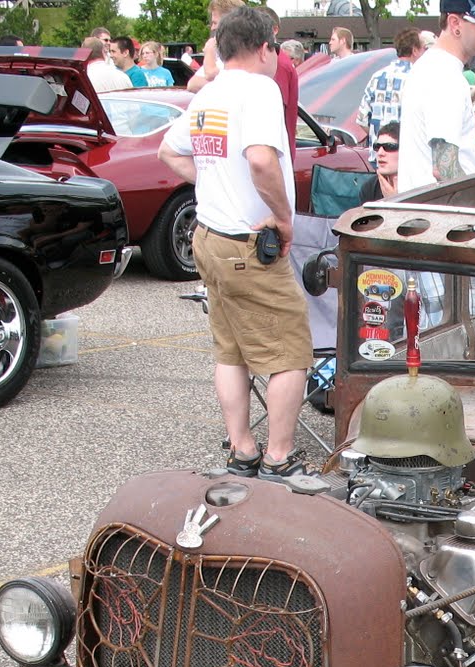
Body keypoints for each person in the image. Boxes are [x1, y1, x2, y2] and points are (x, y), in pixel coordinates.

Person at [159, 6, 314, 478]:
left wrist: (209, 184)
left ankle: (243, 449)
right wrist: (284, 218)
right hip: (249, 243)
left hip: (209, 236)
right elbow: (262, 161)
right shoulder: (259, 89)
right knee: (291, 351)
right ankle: (279, 456)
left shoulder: (209, 93)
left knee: (231, 350)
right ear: (266, 46)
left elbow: (170, 151)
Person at [397, 0, 475, 193]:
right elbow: (444, 168)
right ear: (455, 23)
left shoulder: (433, 67)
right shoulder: (444, 75)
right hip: (445, 216)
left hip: (430, 213)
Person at [194, 1, 298, 158]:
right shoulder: (233, 69)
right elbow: (192, 84)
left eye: (216, 22)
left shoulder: (272, 69)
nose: (213, 28)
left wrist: (210, 54)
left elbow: (263, 154)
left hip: (269, 157)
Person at [356, 26, 421, 140]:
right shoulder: (419, 78)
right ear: (415, 50)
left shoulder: (377, 77)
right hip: (406, 153)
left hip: (379, 152)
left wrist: (377, 136)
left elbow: (362, 120)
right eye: (423, 49)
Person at [360, 120, 400, 202]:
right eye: (377, 147)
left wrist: (394, 200)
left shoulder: (420, 187)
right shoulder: (369, 187)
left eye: (389, 147)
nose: (380, 153)